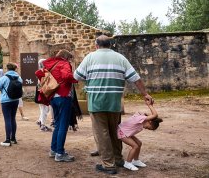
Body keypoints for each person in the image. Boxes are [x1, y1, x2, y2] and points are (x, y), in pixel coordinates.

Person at [74, 34, 154, 175]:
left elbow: (76, 77)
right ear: (110, 45)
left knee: (102, 134)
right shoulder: (120, 58)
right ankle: (118, 159)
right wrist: (145, 94)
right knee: (116, 132)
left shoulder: (90, 57)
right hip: (115, 104)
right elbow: (136, 78)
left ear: (96, 45)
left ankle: (109, 165)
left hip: (97, 103)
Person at [35, 49, 78, 162]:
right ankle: (60, 153)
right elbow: (66, 76)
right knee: (63, 125)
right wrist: (75, 79)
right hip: (64, 96)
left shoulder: (49, 64)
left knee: (58, 125)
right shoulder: (64, 63)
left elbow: (40, 74)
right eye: (70, 60)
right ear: (67, 58)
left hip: (53, 97)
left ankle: (53, 150)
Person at [118, 100, 162, 171]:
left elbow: (154, 117)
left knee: (139, 143)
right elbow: (155, 115)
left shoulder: (143, 120)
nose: (146, 128)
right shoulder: (141, 118)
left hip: (127, 132)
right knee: (135, 146)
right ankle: (128, 163)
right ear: (149, 121)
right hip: (121, 132)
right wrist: (150, 105)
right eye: (148, 127)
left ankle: (135, 160)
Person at [0, 62, 22, 147]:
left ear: (7, 68)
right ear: (15, 69)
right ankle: (13, 138)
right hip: (15, 100)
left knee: (7, 119)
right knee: (13, 118)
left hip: (6, 100)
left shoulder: (4, 78)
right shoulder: (19, 77)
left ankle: (7, 140)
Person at [35, 59, 52, 132]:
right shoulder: (45, 72)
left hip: (40, 91)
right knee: (45, 109)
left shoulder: (39, 71)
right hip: (44, 92)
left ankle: (40, 121)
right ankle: (42, 125)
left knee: (43, 109)